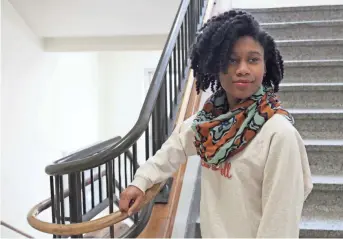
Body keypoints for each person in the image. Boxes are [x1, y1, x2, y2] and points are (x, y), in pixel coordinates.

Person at [119, 10, 313, 238]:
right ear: (215, 64)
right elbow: (175, 148)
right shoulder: (207, 124)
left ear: (265, 65)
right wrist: (140, 182)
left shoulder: (279, 135)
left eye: (253, 59)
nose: (242, 68)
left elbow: (280, 225)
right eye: (232, 60)